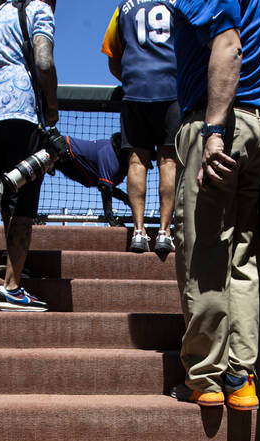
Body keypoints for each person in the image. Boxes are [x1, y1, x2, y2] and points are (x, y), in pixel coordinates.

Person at [168, 0, 260, 411]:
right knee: (241, 259)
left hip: (222, 125)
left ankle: (204, 378)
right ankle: (241, 378)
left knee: (204, 256)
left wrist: (213, 132)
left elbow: (229, 45)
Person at [0, 0, 60, 311]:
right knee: (26, 197)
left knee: (8, 192)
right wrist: (53, 106)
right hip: (21, 112)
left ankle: (13, 263)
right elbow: (44, 62)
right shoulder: (38, 10)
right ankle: (12, 288)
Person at [101, 0, 180, 255]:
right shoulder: (180, 4)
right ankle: (165, 232)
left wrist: (135, 79)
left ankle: (138, 231)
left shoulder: (123, 8)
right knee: (168, 161)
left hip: (135, 91)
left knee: (137, 162)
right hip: (171, 89)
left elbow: (113, 60)